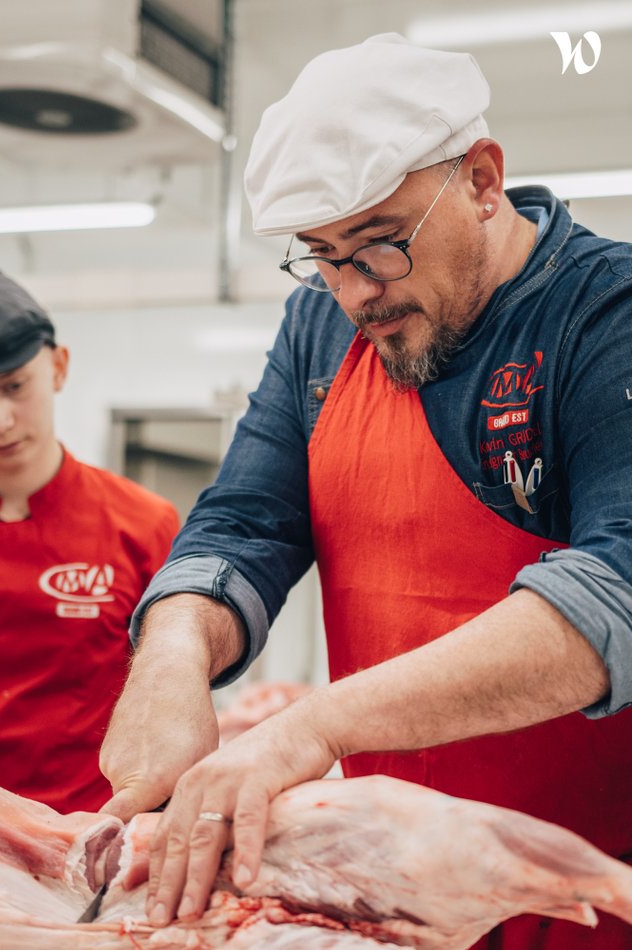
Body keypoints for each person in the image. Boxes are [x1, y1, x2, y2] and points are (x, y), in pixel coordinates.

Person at [100, 34, 632, 947]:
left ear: (481, 179)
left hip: (590, 891)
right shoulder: (318, 326)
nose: (355, 292)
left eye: (383, 245)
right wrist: (172, 660)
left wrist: (314, 728)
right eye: (322, 255)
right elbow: (243, 523)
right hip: (397, 895)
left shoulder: (605, 315)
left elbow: (617, 586)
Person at [0, 269, 179, 813]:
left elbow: (170, 701)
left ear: (58, 368)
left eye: (13, 387)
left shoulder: (142, 524)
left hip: (94, 834)